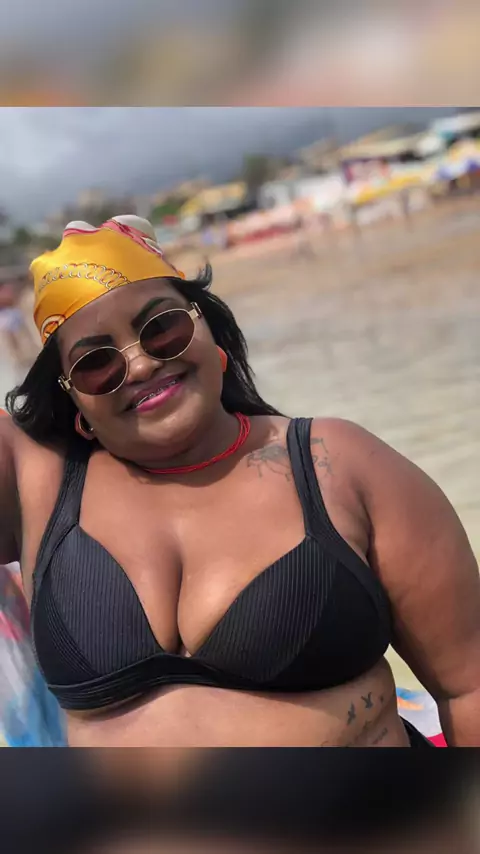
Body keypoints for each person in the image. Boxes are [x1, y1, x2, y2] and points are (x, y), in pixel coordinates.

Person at [0, 214, 479, 748]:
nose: (139, 365)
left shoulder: (339, 464)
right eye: (97, 363)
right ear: (73, 399)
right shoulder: (38, 485)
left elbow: (468, 687)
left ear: (210, 332)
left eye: (162, 329)